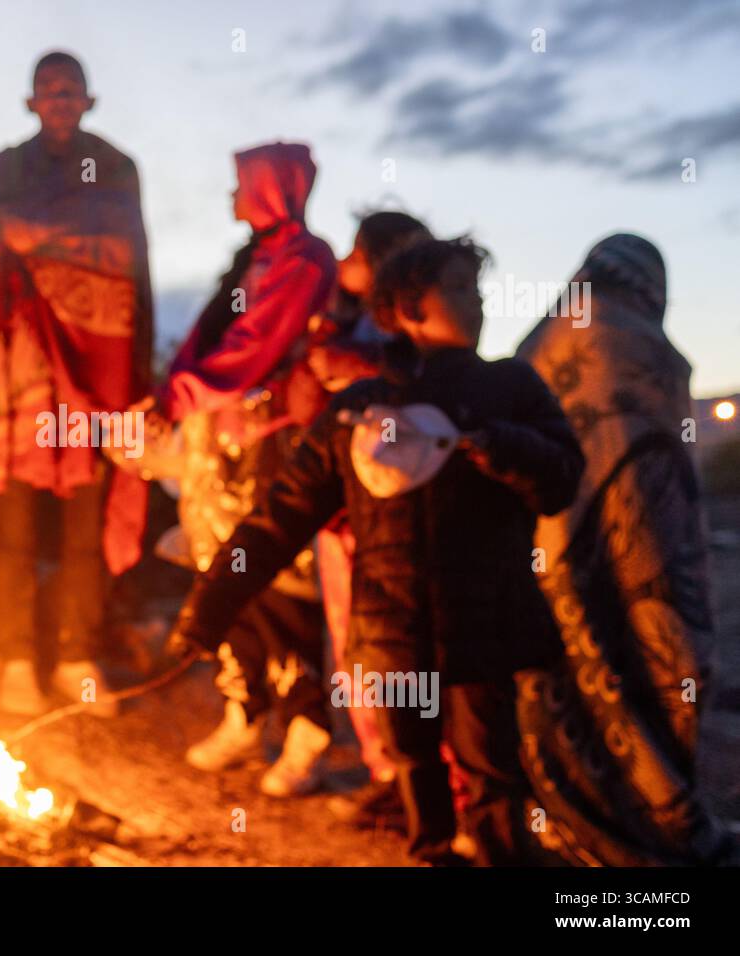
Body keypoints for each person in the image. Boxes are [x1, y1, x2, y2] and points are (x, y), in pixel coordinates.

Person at [169, 237, 585, 865]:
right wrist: (210, 607)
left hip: (486, 631)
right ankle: (433, 855)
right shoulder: (359, 410)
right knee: (415, 771)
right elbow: (278, 522)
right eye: (459, 290)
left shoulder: (509, 389)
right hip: (394, 634)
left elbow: (562, 479)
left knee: (494, 775)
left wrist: (494, 444)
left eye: (476, 290)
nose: (477, 304)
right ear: (408, 307)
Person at [515, 233, 732, 864]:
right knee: (665, 659)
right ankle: (663, 808)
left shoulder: (547, 337)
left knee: (578, 665)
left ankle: (573, 819)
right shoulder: (646, 345)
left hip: (557, 539)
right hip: (654, 544)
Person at [0, 51, 153, 716]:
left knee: (83, 518)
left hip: (92, 370)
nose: (60, 100)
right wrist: (18, 246)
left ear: (88, 100)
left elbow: (123, 253)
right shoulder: (3, 169)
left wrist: (32, 235)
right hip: (21, 364)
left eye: (70, 91)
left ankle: (76, 657)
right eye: (48, 91)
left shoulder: (116, 167)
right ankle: (12, 660)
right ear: (32, 101)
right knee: (11, 521)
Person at [146, 142, 337, 796]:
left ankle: (308, 723)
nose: (231, 198)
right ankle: (245, 709)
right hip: (218, 440)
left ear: (271, 189)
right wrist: (176, 402)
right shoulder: (252, 258)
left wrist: (182, 395)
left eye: (240, 185)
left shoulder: (305, 260)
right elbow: (217, 338)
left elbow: (259, 346)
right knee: (219, 566)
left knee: (271, 573)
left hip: (271, 441)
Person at [309, 211, 432, 824]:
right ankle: (390, 767)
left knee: (381, 640)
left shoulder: (405, 339)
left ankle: (406, 778)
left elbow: (336, 370)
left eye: (355, 255)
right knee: (357, 637)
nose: (342, 266)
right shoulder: (348, 319)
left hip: (377, 507)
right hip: (345, 506)